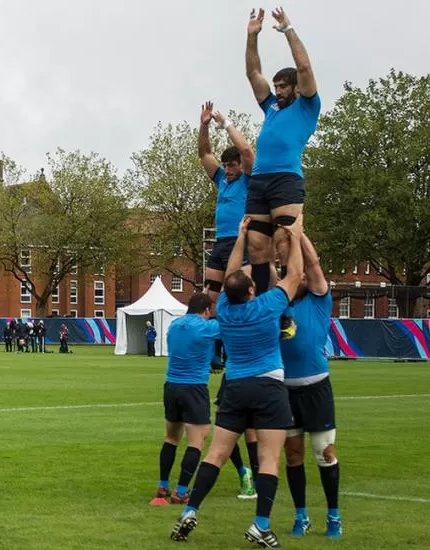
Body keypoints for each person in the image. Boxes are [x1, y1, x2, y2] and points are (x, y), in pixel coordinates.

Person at [171, 214, 303, 548]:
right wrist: (296, 236)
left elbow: (230, 275)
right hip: (268, 387)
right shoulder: (268, 306)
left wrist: (241, 237)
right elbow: (296, 275)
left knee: (215, 454)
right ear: (253, 290)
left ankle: (189, 511)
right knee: (270, 459)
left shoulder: (225, 311)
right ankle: (260, 525)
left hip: (235, 387)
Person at [243, 7, 320, 330]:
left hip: (287, 180)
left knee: (285, 241)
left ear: (296, 88)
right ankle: (268, 310)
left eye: (283, 86)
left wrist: (288, 28)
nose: (277, 91)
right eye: (275, 87)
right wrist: (251, 36)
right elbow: (252, 74)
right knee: (258, 247)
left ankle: (288, 308)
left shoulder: (307, 104)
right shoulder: (271, 107)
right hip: (260, 180)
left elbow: (303, 65)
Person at [280, 233, 342, 538]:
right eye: (296, 272)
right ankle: (301, 515)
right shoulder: (279, 302)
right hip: (285, 391)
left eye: (303, 272)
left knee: (324, 453)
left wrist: (298, 233)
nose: (302, 275)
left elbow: (315, 265)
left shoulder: (319, 299)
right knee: (293, 455)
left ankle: (333, 516)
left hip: (317, 388)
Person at [198, 101, 254, 369]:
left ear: (240, 165)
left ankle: (236, 351)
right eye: (226, 165)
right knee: (211, 297)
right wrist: (204, 125)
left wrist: (227, 124)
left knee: (238, 294)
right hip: (220, 244)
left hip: (239, 243)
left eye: (233, 165)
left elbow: (247, 151)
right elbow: (203, 153)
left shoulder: (247, 179)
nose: (229, 170)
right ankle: (214, 354)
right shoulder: (221, 179)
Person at [150, 293, 219, 507]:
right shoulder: (206, 327)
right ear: (207, 310)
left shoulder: (174, 325)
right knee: (197, 441)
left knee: (171, 438)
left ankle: (163, 485)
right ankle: (181, 491)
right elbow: (232, 326)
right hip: (194, 386)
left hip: (171, 385)